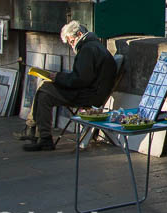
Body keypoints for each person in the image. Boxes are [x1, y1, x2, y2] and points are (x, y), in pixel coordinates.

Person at [19, 20, 116, 151]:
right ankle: (37, 133)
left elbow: (80, 80)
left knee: (45, 90)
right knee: (44, 89)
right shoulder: (94, 46)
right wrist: (58, 78)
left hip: (89, 95)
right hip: (93, 91)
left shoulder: (87, 49)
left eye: (71, 42)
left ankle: (38, 134)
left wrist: (57, 77)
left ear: (79, 34)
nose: (71, 46)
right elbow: (82, 77)